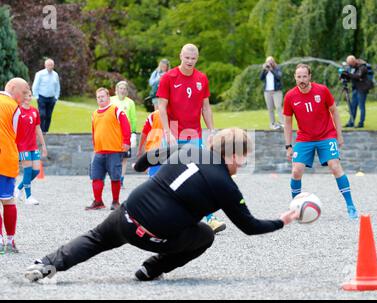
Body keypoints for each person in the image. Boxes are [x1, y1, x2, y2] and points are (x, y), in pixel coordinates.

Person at [24, 128, 301, 282]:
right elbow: (250, 227)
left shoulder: (191, 149)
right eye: (243, 157)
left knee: (96, 238)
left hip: (127, 216)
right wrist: (283, 220)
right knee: (205, 235)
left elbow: (151, 155)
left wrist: (137, 164)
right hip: (156, 237)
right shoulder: (226, 186)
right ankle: (151, 269)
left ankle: (46, 265)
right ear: (232, 155)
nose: (243, 163)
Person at [157, 43, 225, 233]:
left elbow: (206, 107)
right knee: (169, 176)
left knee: (200, 176)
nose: (189, 61)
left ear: (197, 59)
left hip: (194, 133)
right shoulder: (168, 77)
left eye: (193, 58)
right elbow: (161, 107)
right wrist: (166, 132)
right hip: (173, 132)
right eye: (186, 57)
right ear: (180, 56)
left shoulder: (201, 78)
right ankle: (164, 218)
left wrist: (211, 130)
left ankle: (210, 218)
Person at [283, 64, 358, 220]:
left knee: (335, 166)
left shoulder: (322, 90)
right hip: (304, 138)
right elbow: (288, 122)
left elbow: (334, 111)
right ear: (295, 77)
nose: (301, 80)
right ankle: (294, 208)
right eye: (298, 77)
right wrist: (288, 145)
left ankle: (351, 206)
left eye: (304, 76)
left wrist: (339, 134)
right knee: (296, 171)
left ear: (310, 76)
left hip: (326, 135)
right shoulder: (290, 96)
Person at [85, 88, 131, 211]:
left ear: (108, 97)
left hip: (114, 150)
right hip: (99, 151)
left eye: (102, 96)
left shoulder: (116, 110)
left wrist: (126, 141)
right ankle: (98, 201)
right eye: (98, 97)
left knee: (115, 177)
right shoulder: (94, 113)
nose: (100, 99)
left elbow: (126, 125)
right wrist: (95, 146)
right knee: (96, 177)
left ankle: (115, 202)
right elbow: (94, 131)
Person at [0, 78, 30, 254]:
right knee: (8, 200)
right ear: (12, 88)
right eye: (24, 92)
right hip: (6, 158)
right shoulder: (15, 109)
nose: (25, 96)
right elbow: (16, 135)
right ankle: (10, 240)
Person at [14, 90, 47, 205]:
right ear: (22, 97)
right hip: (22, 146)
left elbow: (38, 129)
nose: (28, 98)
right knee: (27, 170)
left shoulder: (34, 111)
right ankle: (28, 197)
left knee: (36, 171)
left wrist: (43, 145)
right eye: (26, 96)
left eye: (29, 96)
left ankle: (18, 188)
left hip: (33, 146)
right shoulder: (17, 110)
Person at [110, 81, 137, 189]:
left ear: (126, 91)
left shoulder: (130, 102)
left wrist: (133, 133)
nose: (122, 90)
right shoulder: (111, 100)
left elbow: (133, 119)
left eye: (124, 89)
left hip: (126, 134)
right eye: (120, 88)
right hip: (114, 133)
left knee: (124, 158)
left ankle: (121, 180)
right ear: (117, 89)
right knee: (113, 156)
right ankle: (114, 178)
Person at [342, 55, 373, 128]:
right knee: (353, 106)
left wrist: (348, 74)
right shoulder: (352, 67)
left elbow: (357, 76)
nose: (350, 65)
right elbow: (352, 77)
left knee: (361, 106)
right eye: (348, 64)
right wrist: (345, 76)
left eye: (350, 64)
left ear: (353, 61)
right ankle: (351, 122)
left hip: (362, 89)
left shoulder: (362, 66)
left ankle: (361, 123)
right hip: (355, 89)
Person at [32, 58, 61, 133]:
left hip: (51, 99)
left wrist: (56, 97)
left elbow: (57, 87)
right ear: (45, 65)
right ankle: (41, 131)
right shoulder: (40, 74)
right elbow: (35, 86)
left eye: (51, 65)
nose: (50, 66)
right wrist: (36, 97)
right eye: (48, 65)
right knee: (42, 115)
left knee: (48, 116)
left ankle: (46, 131)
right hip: (42, 97)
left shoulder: (55, 75)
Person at [135, 109, 165, 177]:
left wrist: (140, 149)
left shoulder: (153, 115)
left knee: (153, 178)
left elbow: (144, 133)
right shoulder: (177, 113)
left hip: (154, 150)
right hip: (170, 151)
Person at [259, 56, 284, 130]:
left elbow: (279, 77)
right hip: (267, 92)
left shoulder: (277, 68)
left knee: (278, 107)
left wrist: (271, 70)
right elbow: (260, 78)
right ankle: (273, 123)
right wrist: (264, 70)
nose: (269, 63)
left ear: (273, 62)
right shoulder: (265, 70)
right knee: (270, 108)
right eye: (267, 62)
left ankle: (282, 123)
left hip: (276, 91)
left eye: (270, 61)